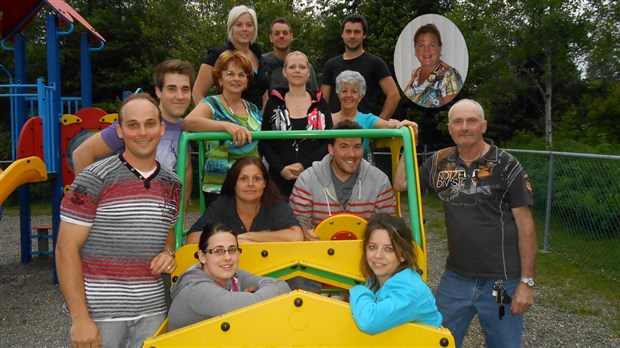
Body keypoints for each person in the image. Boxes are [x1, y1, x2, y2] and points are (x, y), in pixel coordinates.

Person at [396, 99, 536, 347]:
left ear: (483, 126)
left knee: (503, 342)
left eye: (471, 121)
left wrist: (526, 283)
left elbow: (526, 227)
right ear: (450, 128)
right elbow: (401, 184)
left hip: (500, 282)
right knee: (437, 340)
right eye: (458, 122)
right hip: (456, 279)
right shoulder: (441, 162)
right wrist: (408, 143)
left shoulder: (506, 165)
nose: (465, 127)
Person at [56, 93, 182, 348]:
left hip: (153, 312)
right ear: (120, 131)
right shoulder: (93, 178)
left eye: (149, 124)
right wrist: (80, 319)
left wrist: (169, 253)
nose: (142, 132)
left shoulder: (173, 184)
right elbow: (65, 249)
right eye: (133, 125)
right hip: (102, 316)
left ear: (161, 128)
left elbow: (167, 237)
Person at [72, 59, 194, 209]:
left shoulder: (183, 127)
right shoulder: (136, 123)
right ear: (158, 91)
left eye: (185, 89)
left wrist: (180, 223)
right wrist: (89, 206)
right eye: (172, 89)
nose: (180, 96)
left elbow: (185, 174)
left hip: (161, 220)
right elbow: (81, 154)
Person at [168, 223, 291, 331]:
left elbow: (282, 285)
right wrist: (249, 296)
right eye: (218, 251)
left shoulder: (234, 275)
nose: (227, 257)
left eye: (232, 250)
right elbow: (258, 303)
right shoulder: (196, 290)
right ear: (202, 256)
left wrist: (242, 298)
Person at [289, 120, 397, 238]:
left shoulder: (379, 181)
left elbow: (388, 227)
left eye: (357, 147)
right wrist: (306, 235)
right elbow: (298, 225)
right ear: (331, 149)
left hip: (365, 252)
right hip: (319, 252)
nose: (351, 154)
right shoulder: (307, 180)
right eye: (344, 146)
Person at [184, 50, 262, 205]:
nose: (236, 79)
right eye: (230, 74)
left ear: (247, 81)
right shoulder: (211, 103)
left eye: (241, 75)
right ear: (220, 79)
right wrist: (225, 126)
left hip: (250, 185)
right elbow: (188, 122)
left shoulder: (253, 108)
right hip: (219, 187)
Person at [349, 214, 442, 334]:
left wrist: (357, 291)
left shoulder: (408, 290)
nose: (378, 255)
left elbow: (368, 322)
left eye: (389, 249)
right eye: (372, 247)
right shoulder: (376, 281)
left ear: (403, 254)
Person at [260, 51, 332, 197]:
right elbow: (265, 141)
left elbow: (328, 141)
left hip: (315, 179)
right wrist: (280, 168)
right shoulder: (273, 103)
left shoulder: (320, 104)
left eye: (302, 67)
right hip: (278, 181)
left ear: (309, 73)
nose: (297, 70)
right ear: (284, 72)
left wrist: (304, 165)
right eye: (292, 67)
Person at [185, 157, 303, 244]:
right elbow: (192, 238)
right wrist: (233, 239)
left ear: (264, 183)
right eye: (243, 179)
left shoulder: (276, 205)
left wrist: (250, 237)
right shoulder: (221, 206)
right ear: (234, 183)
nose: (250, 184)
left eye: (256, 179)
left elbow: (296, 235)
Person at [321, 14, 399, 120]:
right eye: (348, 31)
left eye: (357, 32)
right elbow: (323, 101)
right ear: (342, 34)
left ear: (364, 35)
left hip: (363, 131)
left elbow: (394, 95)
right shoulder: (331, 65)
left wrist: (378, 126)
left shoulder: (375, 63)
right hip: (336, 131)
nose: (352, 36)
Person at [331, 70, 417, 162]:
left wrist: (396, 124)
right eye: (344, 91)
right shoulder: (327, 118)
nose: (348, 95)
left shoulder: (368, 119)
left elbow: (389, 126)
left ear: (360, 96)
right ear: (338, 94)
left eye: (354, 92)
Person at [192, 5, 269, 108]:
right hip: (228, 120)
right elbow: (197, 93)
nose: (244, 29)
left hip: (258, 121)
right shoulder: (217, 55)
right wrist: (211, 118)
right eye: (239, 25)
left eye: (249, 25)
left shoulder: (259, 57)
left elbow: (264, 96)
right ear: (231, 28)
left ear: (254, 29)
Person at [403, 23, 463, 108]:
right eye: (421, 45)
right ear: (415, 50)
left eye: (432, 45)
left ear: (440, 48)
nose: (426, 50)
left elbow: (453, 109)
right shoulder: (416, 73)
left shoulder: (449, 75)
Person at [262, 17, 319, 93]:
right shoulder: (261, 63)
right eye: (277, 33)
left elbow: (315, 96)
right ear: (271, 38)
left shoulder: (304, 66)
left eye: (285, 33)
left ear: (291, 37)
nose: (281, 36)